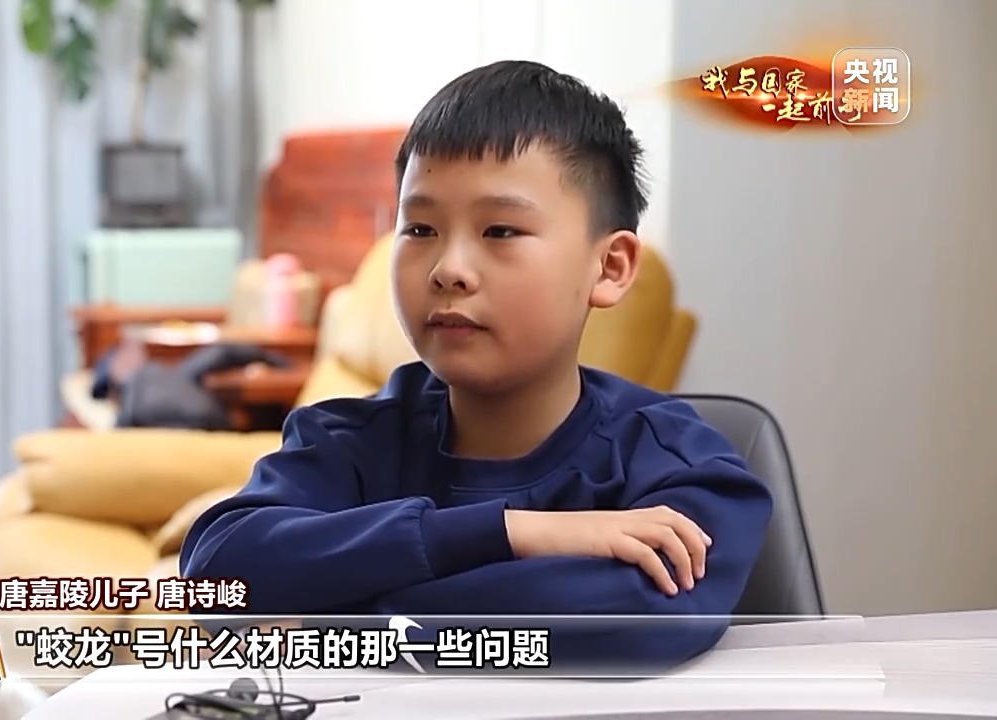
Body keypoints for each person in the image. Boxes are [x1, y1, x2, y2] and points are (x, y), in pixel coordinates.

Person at [179, 60, 774, 672]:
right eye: (420, 228)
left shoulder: (681, 461)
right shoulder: (344, 441)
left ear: (610, 266)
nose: (449, 269)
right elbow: (219, 578)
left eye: (500, 230)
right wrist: (513, 532)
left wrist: (342, 616)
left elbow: (639, 622)